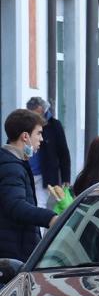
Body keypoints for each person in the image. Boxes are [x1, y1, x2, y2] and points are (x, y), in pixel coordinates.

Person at [0, 109, 58, 261]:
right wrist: (50, 218)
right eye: (38, 133)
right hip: (12, 255)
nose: (41, 139)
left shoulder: (14, 162)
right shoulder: (11, 167)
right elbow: (16, 205)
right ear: (25, 136)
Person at [24, 97, 70, 208]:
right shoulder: (25, 123)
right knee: (26, 203)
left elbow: (63, 152)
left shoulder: (55, 125)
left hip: (44, 174)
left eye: (34, 112)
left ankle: (38, 225)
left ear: (41, 110)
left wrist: (65, 178)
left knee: (40, 204)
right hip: (26, 171)